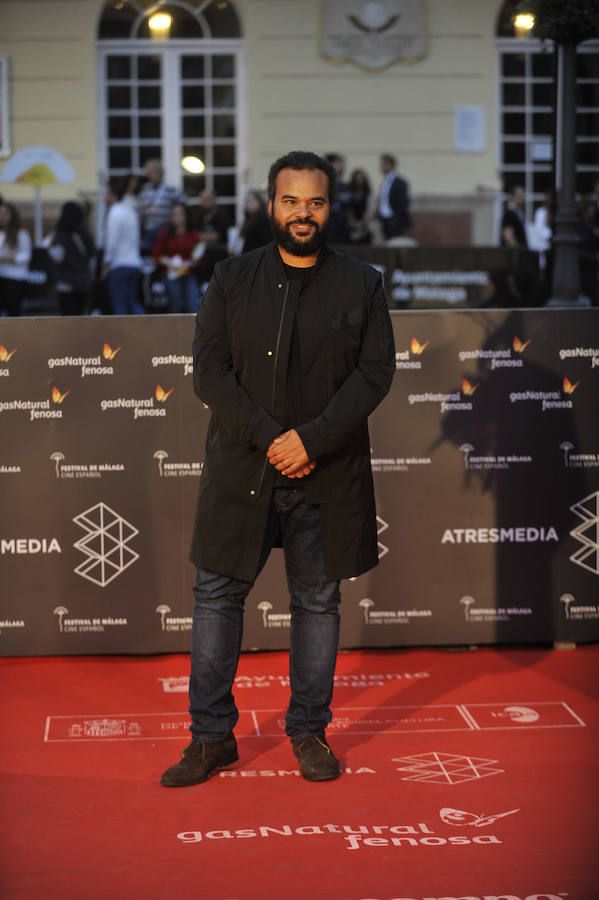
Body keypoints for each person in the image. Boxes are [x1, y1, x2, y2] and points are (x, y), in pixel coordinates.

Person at [160, 150, 395, 788]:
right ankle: (210, 739)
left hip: (325, 474)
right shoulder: (231, 279)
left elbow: (375, 372)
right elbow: (210, 371)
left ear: (330, 207)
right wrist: (273, 439)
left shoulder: (363, 283)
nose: (303, 213)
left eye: (315, 202)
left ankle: (308, 731)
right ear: (271, 206)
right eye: (290, 201)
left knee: (317, 603)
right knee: (215, 600)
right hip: (244, 469)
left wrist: (311, 441)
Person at [45, 201, 95, 315]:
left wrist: (50, 246)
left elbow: (58, 257)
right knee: (80, 316)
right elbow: (91, 257)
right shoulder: (86, 234)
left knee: (67, 316)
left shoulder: (61, 234)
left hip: (65, 282)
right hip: (83, 281)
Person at [103, 176, 144, 315]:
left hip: (119, 265)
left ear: (113, 194)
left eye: (106, 192)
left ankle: (123, 336)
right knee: (133, 304)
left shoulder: (114, 212)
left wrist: (106, 263)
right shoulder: (130, 211)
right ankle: (148, 332)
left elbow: (112, 243)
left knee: (120, 309)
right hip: (134, 263)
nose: (104, 196)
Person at [152, 202, 203, 313]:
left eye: (180, 214)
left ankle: (193, 328)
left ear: (186, 216)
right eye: (174, 214)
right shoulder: (165, 234)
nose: (177, 217)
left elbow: (199, 257)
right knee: (175, 303)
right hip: (171, 274)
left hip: (188, 273)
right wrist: (169, 262)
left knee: (193, 303)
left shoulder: (193, 235)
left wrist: (189, 263)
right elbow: (157, 254)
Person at [137, 159, 184, 254]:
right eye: (149, 173)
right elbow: (140, 209)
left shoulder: (171, 189)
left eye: (152, 172)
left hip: (165, 231)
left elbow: (182, 203)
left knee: (165, 254)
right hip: (148, 230)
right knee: (148, 255)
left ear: (160, 173)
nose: (149, 175)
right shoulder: (145, 190)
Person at [0, 203, 32, 316]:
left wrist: (8, 259)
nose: (2, 217)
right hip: (1, 277)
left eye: (5, 214)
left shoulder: (21, 234)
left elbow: (26, 256)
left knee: (13, 313)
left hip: (15, 279)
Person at [377, 153, 411, 240]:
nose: (382, 166)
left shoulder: (399, 182)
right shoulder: (384, 182)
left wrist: (396, 218)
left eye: (385, 164)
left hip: (395, 220)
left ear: (391, 165)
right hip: (384, 220)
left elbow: (404, 202)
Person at [325, 153, 350, 244]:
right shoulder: (323, 183)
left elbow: (347, 200)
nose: (343, 167)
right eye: (339, 164)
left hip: (341, 224)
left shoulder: (343, 185)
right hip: (328, 223)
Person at [237, 189, 272, 253]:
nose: (248, 204)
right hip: (248, 258)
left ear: (259, 202)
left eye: (251, 201)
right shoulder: (249, 218)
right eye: (246, 201)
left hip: (256, 259)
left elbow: (266, 242)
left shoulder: (262, 219)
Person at [347, 168, 375, 245]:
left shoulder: (368, 194)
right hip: (351, 227)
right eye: (357, 178)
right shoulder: (349, 193)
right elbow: (348, 210)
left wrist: (362, 222)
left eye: (361, 178)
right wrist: (353, 223)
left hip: (365, 227)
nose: (359, 181)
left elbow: (370, 210)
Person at [501, 184, 528, 248]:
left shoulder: (518, 212)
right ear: (512, 196)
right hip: (515, 253)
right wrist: (517, 250)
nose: (522, 197)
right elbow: (507, 234)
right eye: (519, 195)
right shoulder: (509, 213)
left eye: (523, 195)